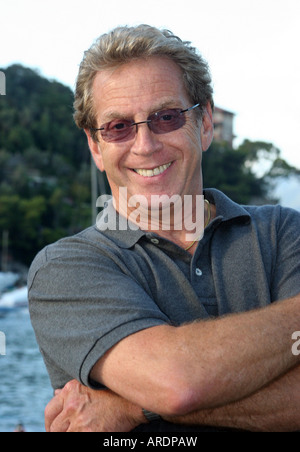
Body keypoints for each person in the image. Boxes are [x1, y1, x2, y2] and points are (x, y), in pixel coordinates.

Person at [28, 24, 300, 432]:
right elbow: (176, 381)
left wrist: (133, 409)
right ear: (94, 146)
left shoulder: (284, 233)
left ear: (205, 122)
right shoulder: (64, 268)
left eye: (166, 117)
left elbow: (169, 394)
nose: (144, 145)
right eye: (118, 126)